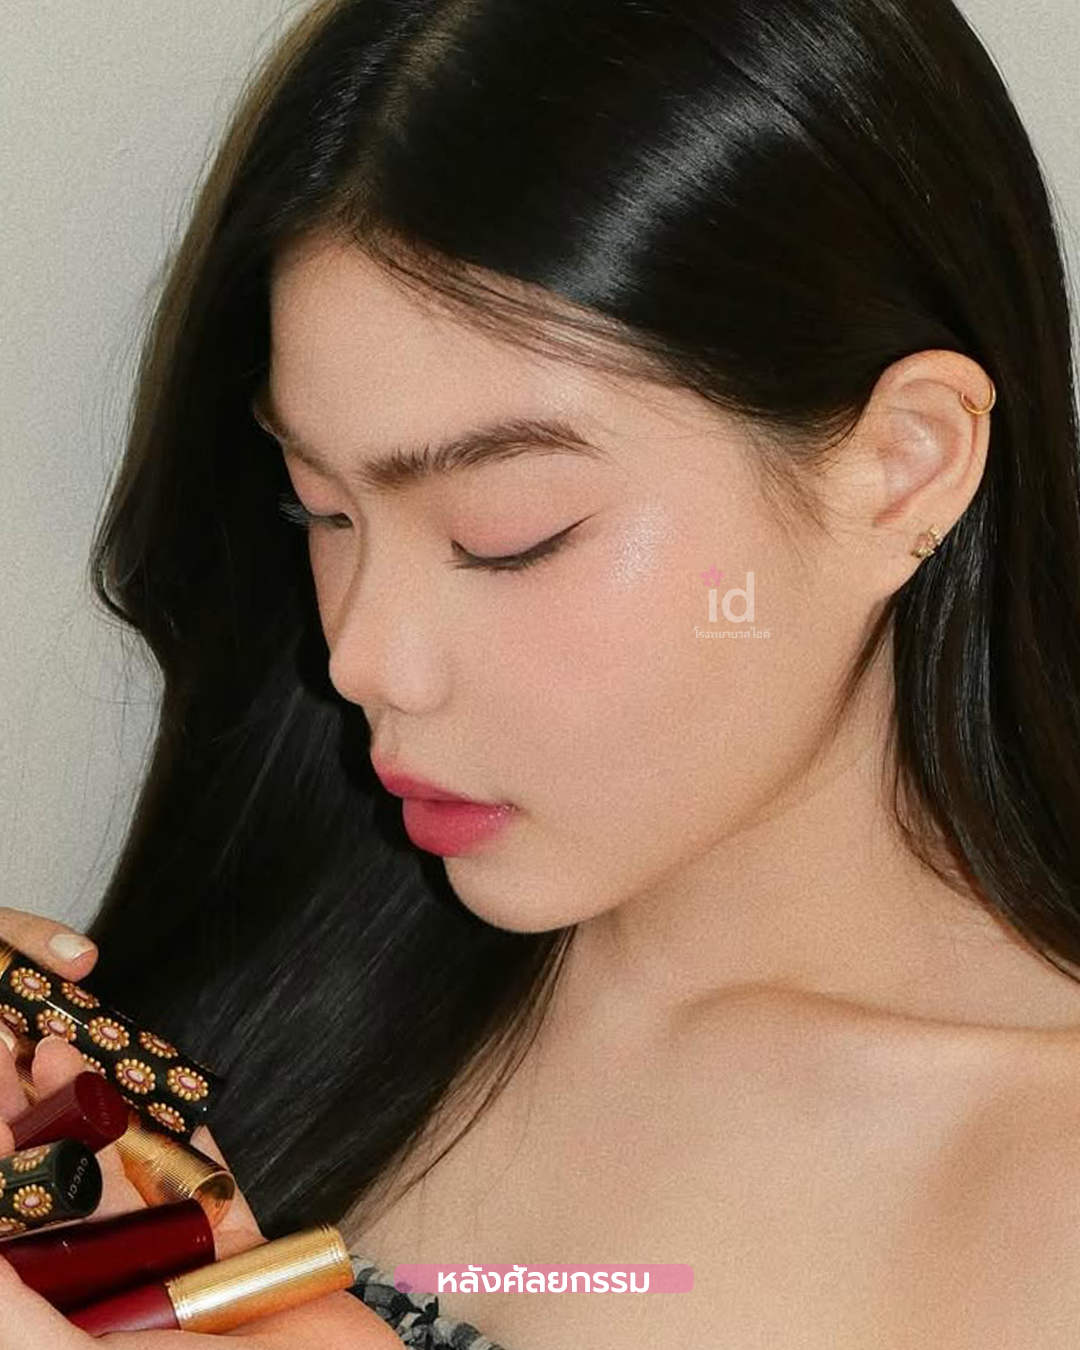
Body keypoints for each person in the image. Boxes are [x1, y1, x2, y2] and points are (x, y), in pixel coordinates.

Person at [3, 0, 1080, 1345]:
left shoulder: (1043, 1198)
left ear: (903, 466)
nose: (363, 660)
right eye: (319, 509)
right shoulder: (294, 959)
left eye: (504, 534)